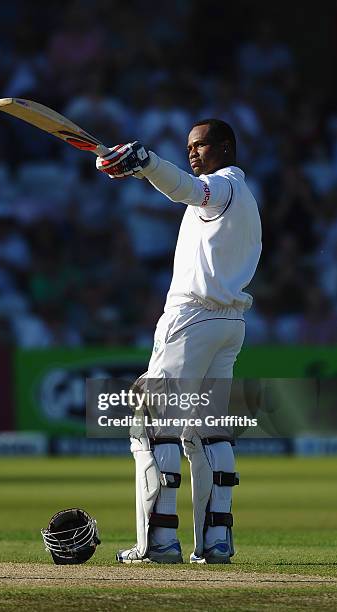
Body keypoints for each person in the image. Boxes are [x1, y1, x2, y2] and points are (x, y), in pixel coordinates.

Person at [96, 119, 262, 564]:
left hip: (191, 320)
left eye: (201, 145)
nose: (193, 151)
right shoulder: (244, 198)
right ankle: (216, 542)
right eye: (188, 146)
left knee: (151, 424)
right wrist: (138, 169)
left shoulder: (221, 188)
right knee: (206, 432)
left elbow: (186, 189)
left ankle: (159, 542)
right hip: (229, 324)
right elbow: (185, 187)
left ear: (225, 147)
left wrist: (146, 162)